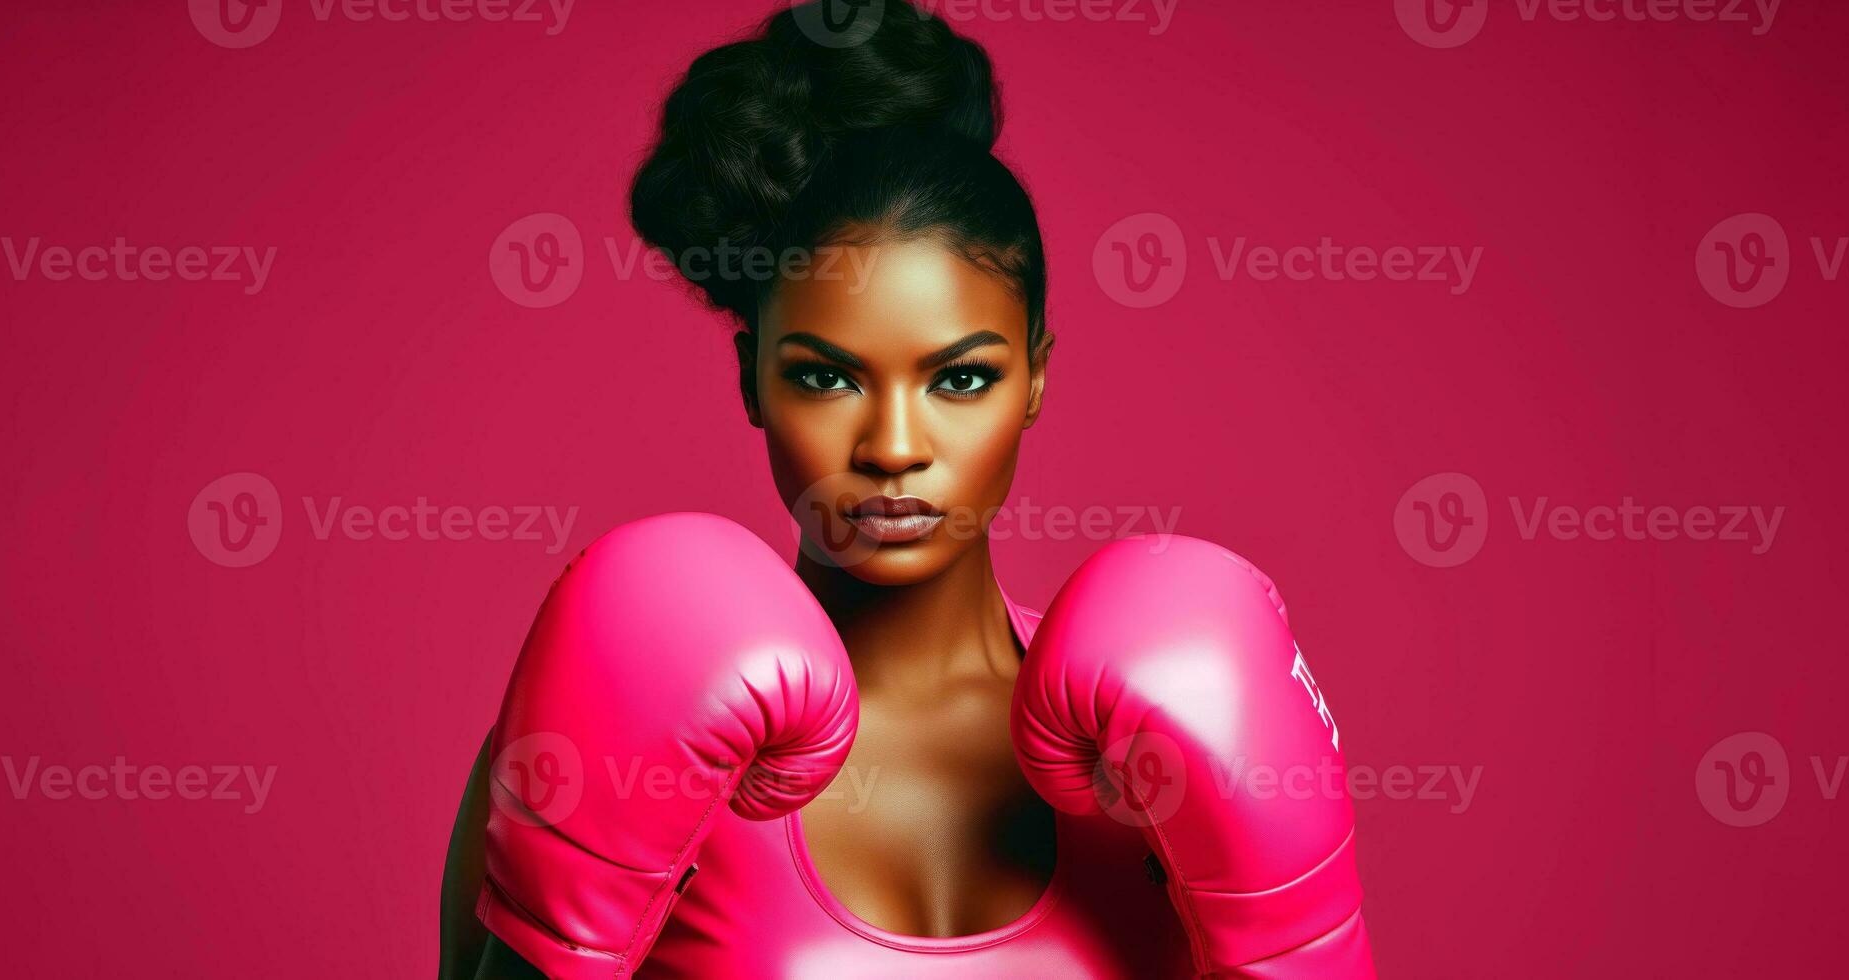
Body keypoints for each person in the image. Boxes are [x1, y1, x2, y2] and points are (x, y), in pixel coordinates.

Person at [441, 3, 1371, 976]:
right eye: (826, 375)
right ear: (750, 378)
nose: (892, 447)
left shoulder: (1173, 719)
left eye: (960, 378)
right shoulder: (616, 720)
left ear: (1037, 377)